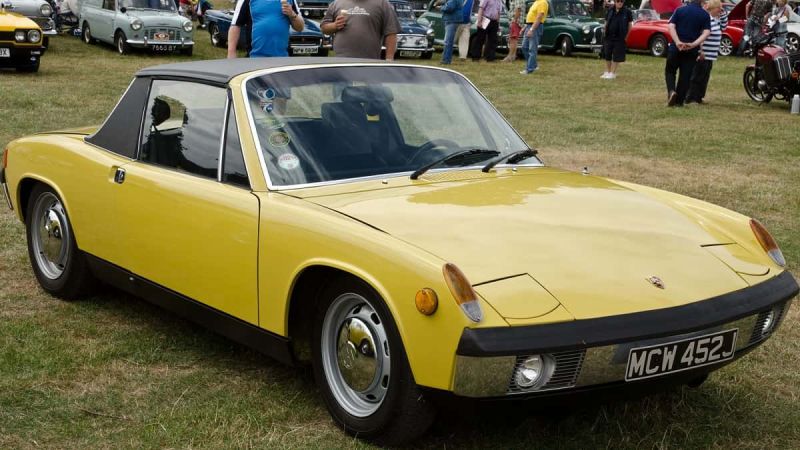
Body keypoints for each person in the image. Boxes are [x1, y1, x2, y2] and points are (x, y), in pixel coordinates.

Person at [664, 0, 710, 106]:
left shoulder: (680, 10)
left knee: (670, 71)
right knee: (685, 75)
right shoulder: (704, 15)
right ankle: (679, 102)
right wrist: (694, 44)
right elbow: (706, 32)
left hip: (676, 48)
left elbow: (671, 26)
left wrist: (677, 42)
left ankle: (671, 91)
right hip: (691, 50)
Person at [321, 0, 400, 59]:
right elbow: (324, 28)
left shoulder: (383, 3)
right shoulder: (337, 3)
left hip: (369, 61)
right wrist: (335, 25)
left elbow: (391, 32)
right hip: (341, 61)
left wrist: (389, 59)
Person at [227, 0, 305, 58]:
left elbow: (300, 28)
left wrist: (292, 14)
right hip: (255, 58)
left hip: (282, 59)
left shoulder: (289, 1)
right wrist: (231, 53)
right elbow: (235, 25)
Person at [686, 0, 726, 104]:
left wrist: (723, 13)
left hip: (711, 55)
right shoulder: (706, 19)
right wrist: (700, 51)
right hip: (704, 53)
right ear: (713, 8)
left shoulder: (715, 19)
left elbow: (724, 27)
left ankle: (699, 97)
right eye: (719, 8)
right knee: (697, 76)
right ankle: (691, 97)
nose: (720, 10)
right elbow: (700, 36)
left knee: (704, 77)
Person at [601, 0, 633, 79]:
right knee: (607, 54)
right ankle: (608, 72)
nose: (620, 3)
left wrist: (626, 36)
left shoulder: (627, 12)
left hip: (620, 37)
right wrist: (604, 31)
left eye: (622, 1)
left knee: (616, 55)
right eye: (618, 1)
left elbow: (630, 25)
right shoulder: (610, 10)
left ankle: (613, 73)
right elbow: (606, 21)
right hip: (609, 36)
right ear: (615, 2)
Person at [520, 0, 548, 74]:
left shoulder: (542, 2)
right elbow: (532, 16)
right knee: (524, 47)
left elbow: (539, 17)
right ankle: (534, 65)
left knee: (532, 49)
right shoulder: (536, 2)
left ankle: (529, 69)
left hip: (535, 27)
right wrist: (525, 27)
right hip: (529, 25)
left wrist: (532, 29)